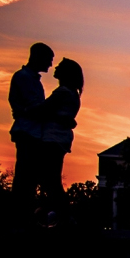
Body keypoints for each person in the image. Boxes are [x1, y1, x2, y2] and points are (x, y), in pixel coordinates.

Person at [9, 43, 55, 219]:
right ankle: (20, 216)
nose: (50, 65)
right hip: (27, 132)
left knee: (29, 178)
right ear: (38, 57)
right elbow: (34, 108)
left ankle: (24, 214)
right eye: (49, 60)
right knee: (24, 177)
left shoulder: (32, 79)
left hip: (33, 133)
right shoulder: (23, 77)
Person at [38, 58, 83, 225]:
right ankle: (57, 212)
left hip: (53, 138)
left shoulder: (63, 92)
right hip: (60, 139)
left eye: (60, 67)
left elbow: (44, 110)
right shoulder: (72, 94)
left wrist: (25, 110)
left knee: (50, 179)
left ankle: (62, 214)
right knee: (51, 178)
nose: (55, 67)